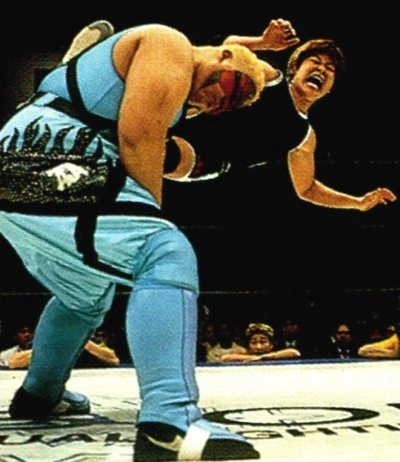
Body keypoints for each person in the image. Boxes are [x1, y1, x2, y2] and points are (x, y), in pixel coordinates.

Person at [0, 19, 298, 461]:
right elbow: (139, 138)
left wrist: (259, 66)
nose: (222, 101)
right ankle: (171, 422)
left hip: (17, 163)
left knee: (83, 294)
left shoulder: (174, 87)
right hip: (53, 154)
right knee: (163, 251)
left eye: (232, 105)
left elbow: (166, 145)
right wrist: (150, 218)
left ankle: (40, 394)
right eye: (232, 88)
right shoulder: (168, 43)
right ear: (222, 53)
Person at [169, 36, 396, 211]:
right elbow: (229, 50)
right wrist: (263, 42)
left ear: (330, 88)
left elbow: (307, 189)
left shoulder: (304, 136)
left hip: (200, 159)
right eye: (315, 62)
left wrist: (357, 203)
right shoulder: (271, 79)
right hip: (187, 114)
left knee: (165, 155)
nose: (321, 69)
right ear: (294, 69)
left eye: (329, 69)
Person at [221, 322, 301, 362]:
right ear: (248, 345)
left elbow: (295, 353)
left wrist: (262, 357)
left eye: (263, 342)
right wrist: (252, 358)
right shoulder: (246, 357)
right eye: (254, 342)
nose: (258, 346)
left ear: (271, 344)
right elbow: (225, 358)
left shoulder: (276, 356)